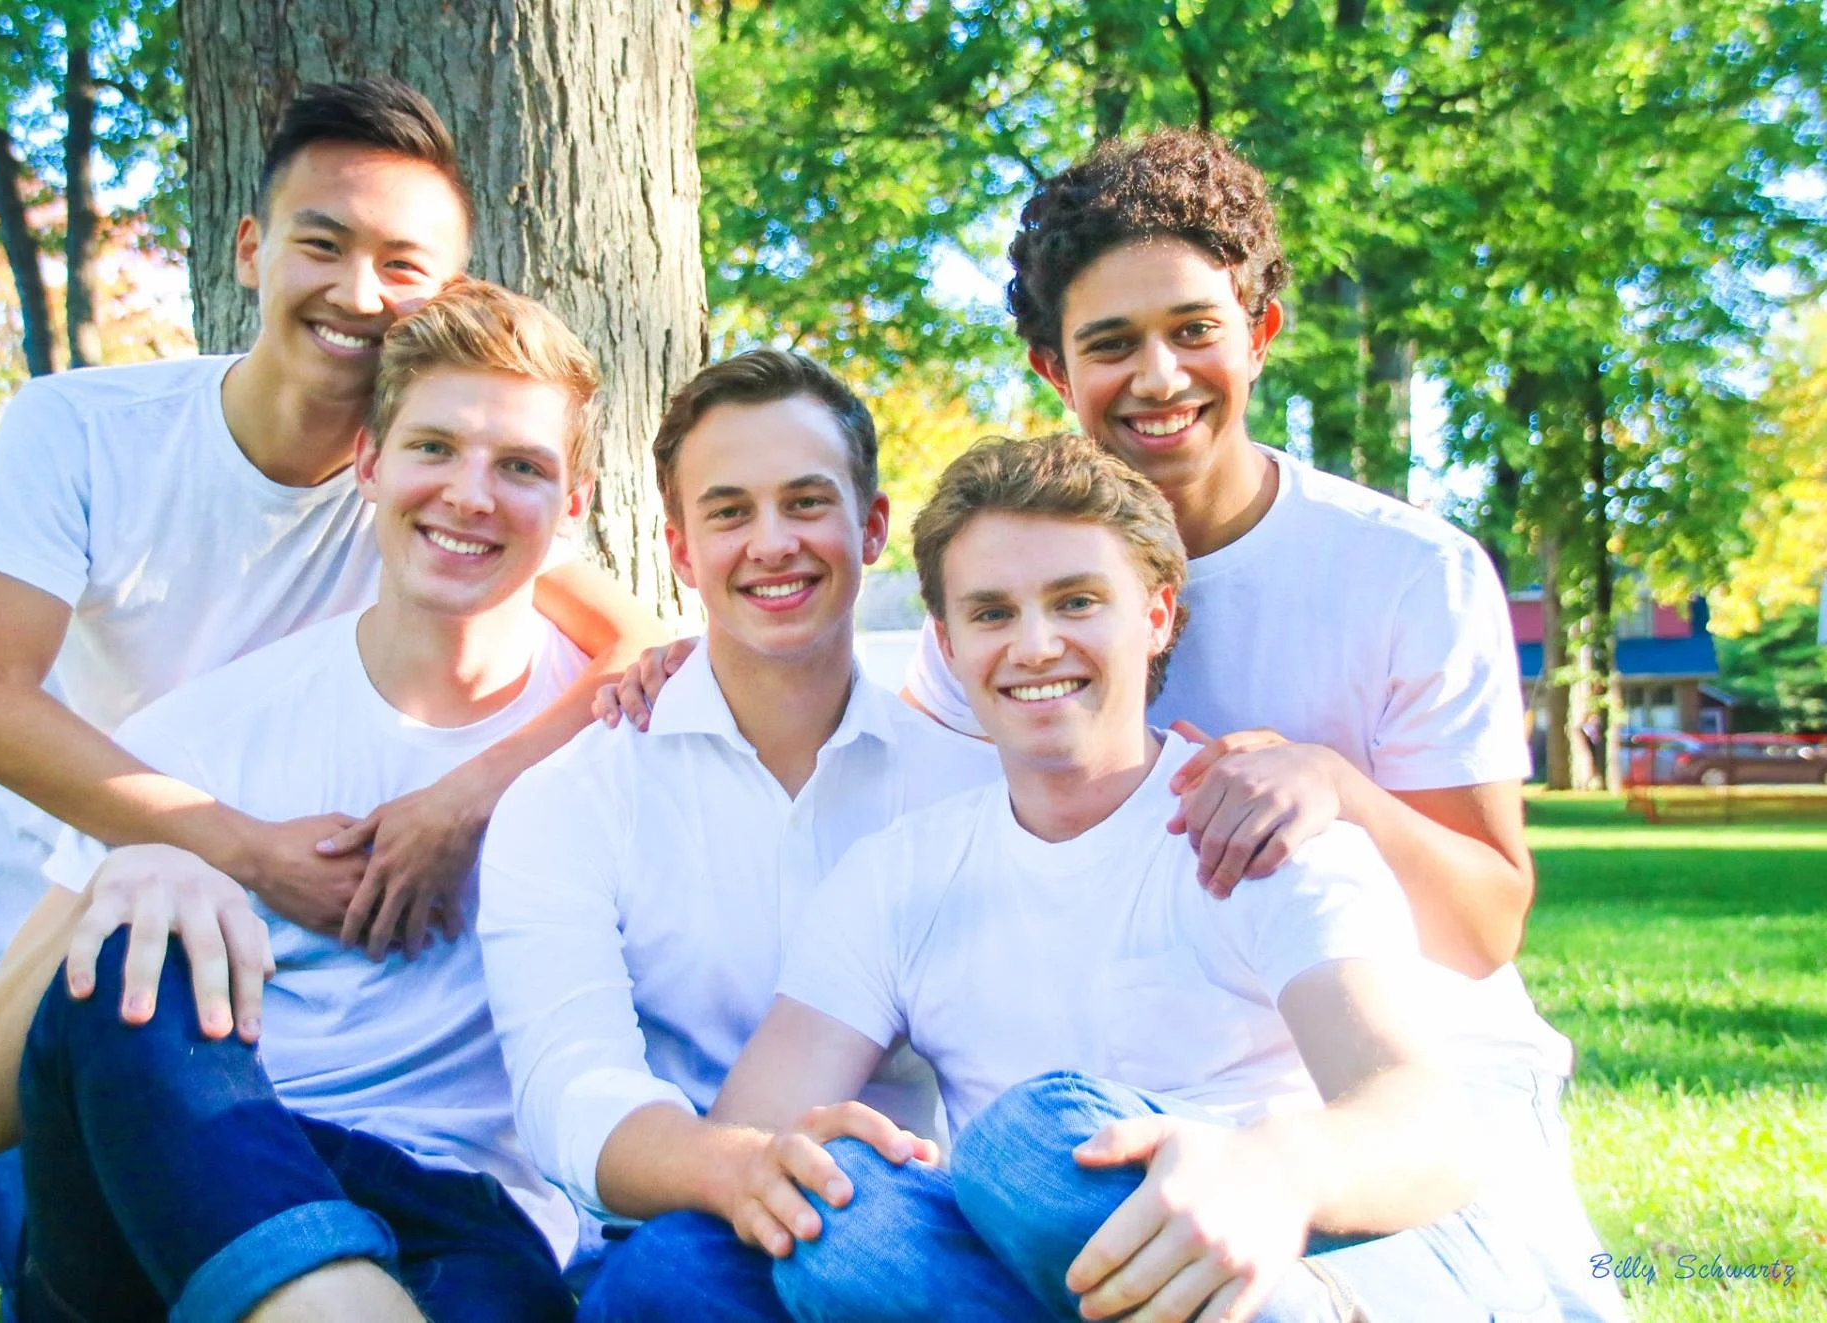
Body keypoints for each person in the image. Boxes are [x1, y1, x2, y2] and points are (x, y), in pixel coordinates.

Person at [600, 129, 1619, 1322]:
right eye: (1110, 344)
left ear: (1259, 332)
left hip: (1375, 1102)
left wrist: (1336, 788)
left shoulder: (1404, 577)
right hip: (1095, 1152)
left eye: (1192, 329)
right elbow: (855, 667)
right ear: (1051, 366)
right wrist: (678, 652)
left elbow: (1484, 928)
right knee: (762, 1249)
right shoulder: (985, 641)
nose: (1158, 376)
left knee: (1037, 1148)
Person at [0, 78, 661, 1309]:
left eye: (403, 265)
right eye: (322, 242)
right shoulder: (87, 433)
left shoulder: (458, 470)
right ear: (252, 248)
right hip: (46, 930)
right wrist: (217, 854)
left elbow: (641, 643)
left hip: (438, 1175)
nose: (360, 292)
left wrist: (465, 797)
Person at [714, 432, 1562, 1323]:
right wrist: (792, 1158)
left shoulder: (1253, 827)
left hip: (1333, 1253)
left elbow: (1427, 1123)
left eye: (1077, 601)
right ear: (949, 643)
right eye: (993, 613)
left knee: (1030, 1144)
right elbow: (751, 1130)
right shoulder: (901, 875)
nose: (1036, 645)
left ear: (1156, 615)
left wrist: (1269, 1171)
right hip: (1072, 1271)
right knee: (836, 1229)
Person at [475, 349, 1000, 1320]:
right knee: (660, 1281)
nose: (772, 543)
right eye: (728, 512)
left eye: (806, 503)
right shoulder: (571, 804)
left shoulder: (973, 791)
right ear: (679, 550)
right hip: (681, 1242)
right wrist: (735, 1169)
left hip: (913, 1239)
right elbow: (567, 1089)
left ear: (870, 525)